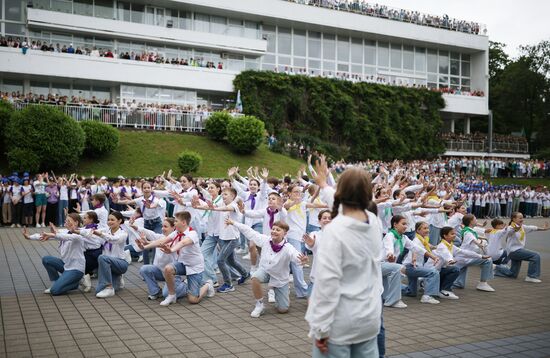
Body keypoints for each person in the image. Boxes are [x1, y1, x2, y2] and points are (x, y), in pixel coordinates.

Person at [306, 167, 382, 358]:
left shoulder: (334, 230)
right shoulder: (372, 221)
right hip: (369, 319)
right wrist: (323, 185)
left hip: (339, 325)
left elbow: (326, 284)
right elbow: (344, 206)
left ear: (341, 191)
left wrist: (321, 329)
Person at [227, 217, 308, 317]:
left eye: (278, 230)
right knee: (255, 278)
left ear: (285, 233)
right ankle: (259, 305)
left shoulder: (288, 247)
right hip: (265, 271)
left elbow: (295, 255)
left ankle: (280, 291)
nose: (274, 231)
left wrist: (301, 260)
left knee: (283, 309)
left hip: (279, 277)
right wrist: (233, 222)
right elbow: (249, 231)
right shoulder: (265, 240)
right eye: (273, 229)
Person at [22, 214, 86, 295]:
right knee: (46, 259)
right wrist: (29, 237)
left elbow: (65, 237)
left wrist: (54, 234)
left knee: (54, 291)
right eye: (66, 220)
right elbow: (45, 235)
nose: (66, 222)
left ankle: (75, 284)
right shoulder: (64, 231)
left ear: (76, 222)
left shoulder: (79, 235)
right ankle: (56, 282)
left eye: (68, 221)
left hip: (76, 269)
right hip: (66, 265)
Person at [76, 211, 129, 298]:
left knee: (102, 257)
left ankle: (109, 287)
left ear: (119, 221)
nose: (109, 222)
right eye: (108, 220)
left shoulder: (123, 233)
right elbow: (88, 231)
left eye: (112, 220)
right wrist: (75, 230)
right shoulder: (105, 230)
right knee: (99, 291)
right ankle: (117, 279)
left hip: (121, 263)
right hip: (109, 265)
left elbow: (114, 239)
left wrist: (100, 234)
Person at [504, 212, 550, 282]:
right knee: (535, 255)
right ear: (513, 219)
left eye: (522, 218)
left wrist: (544, 229)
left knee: (512, 274)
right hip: (514, 251)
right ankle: (531, 276)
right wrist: (515, 229)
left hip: (516, 251)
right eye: (520, 218)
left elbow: (533, 228)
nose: (522, 219)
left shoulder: (522, 227)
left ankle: (495, 268)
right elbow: (510, 232)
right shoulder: (510, 227)